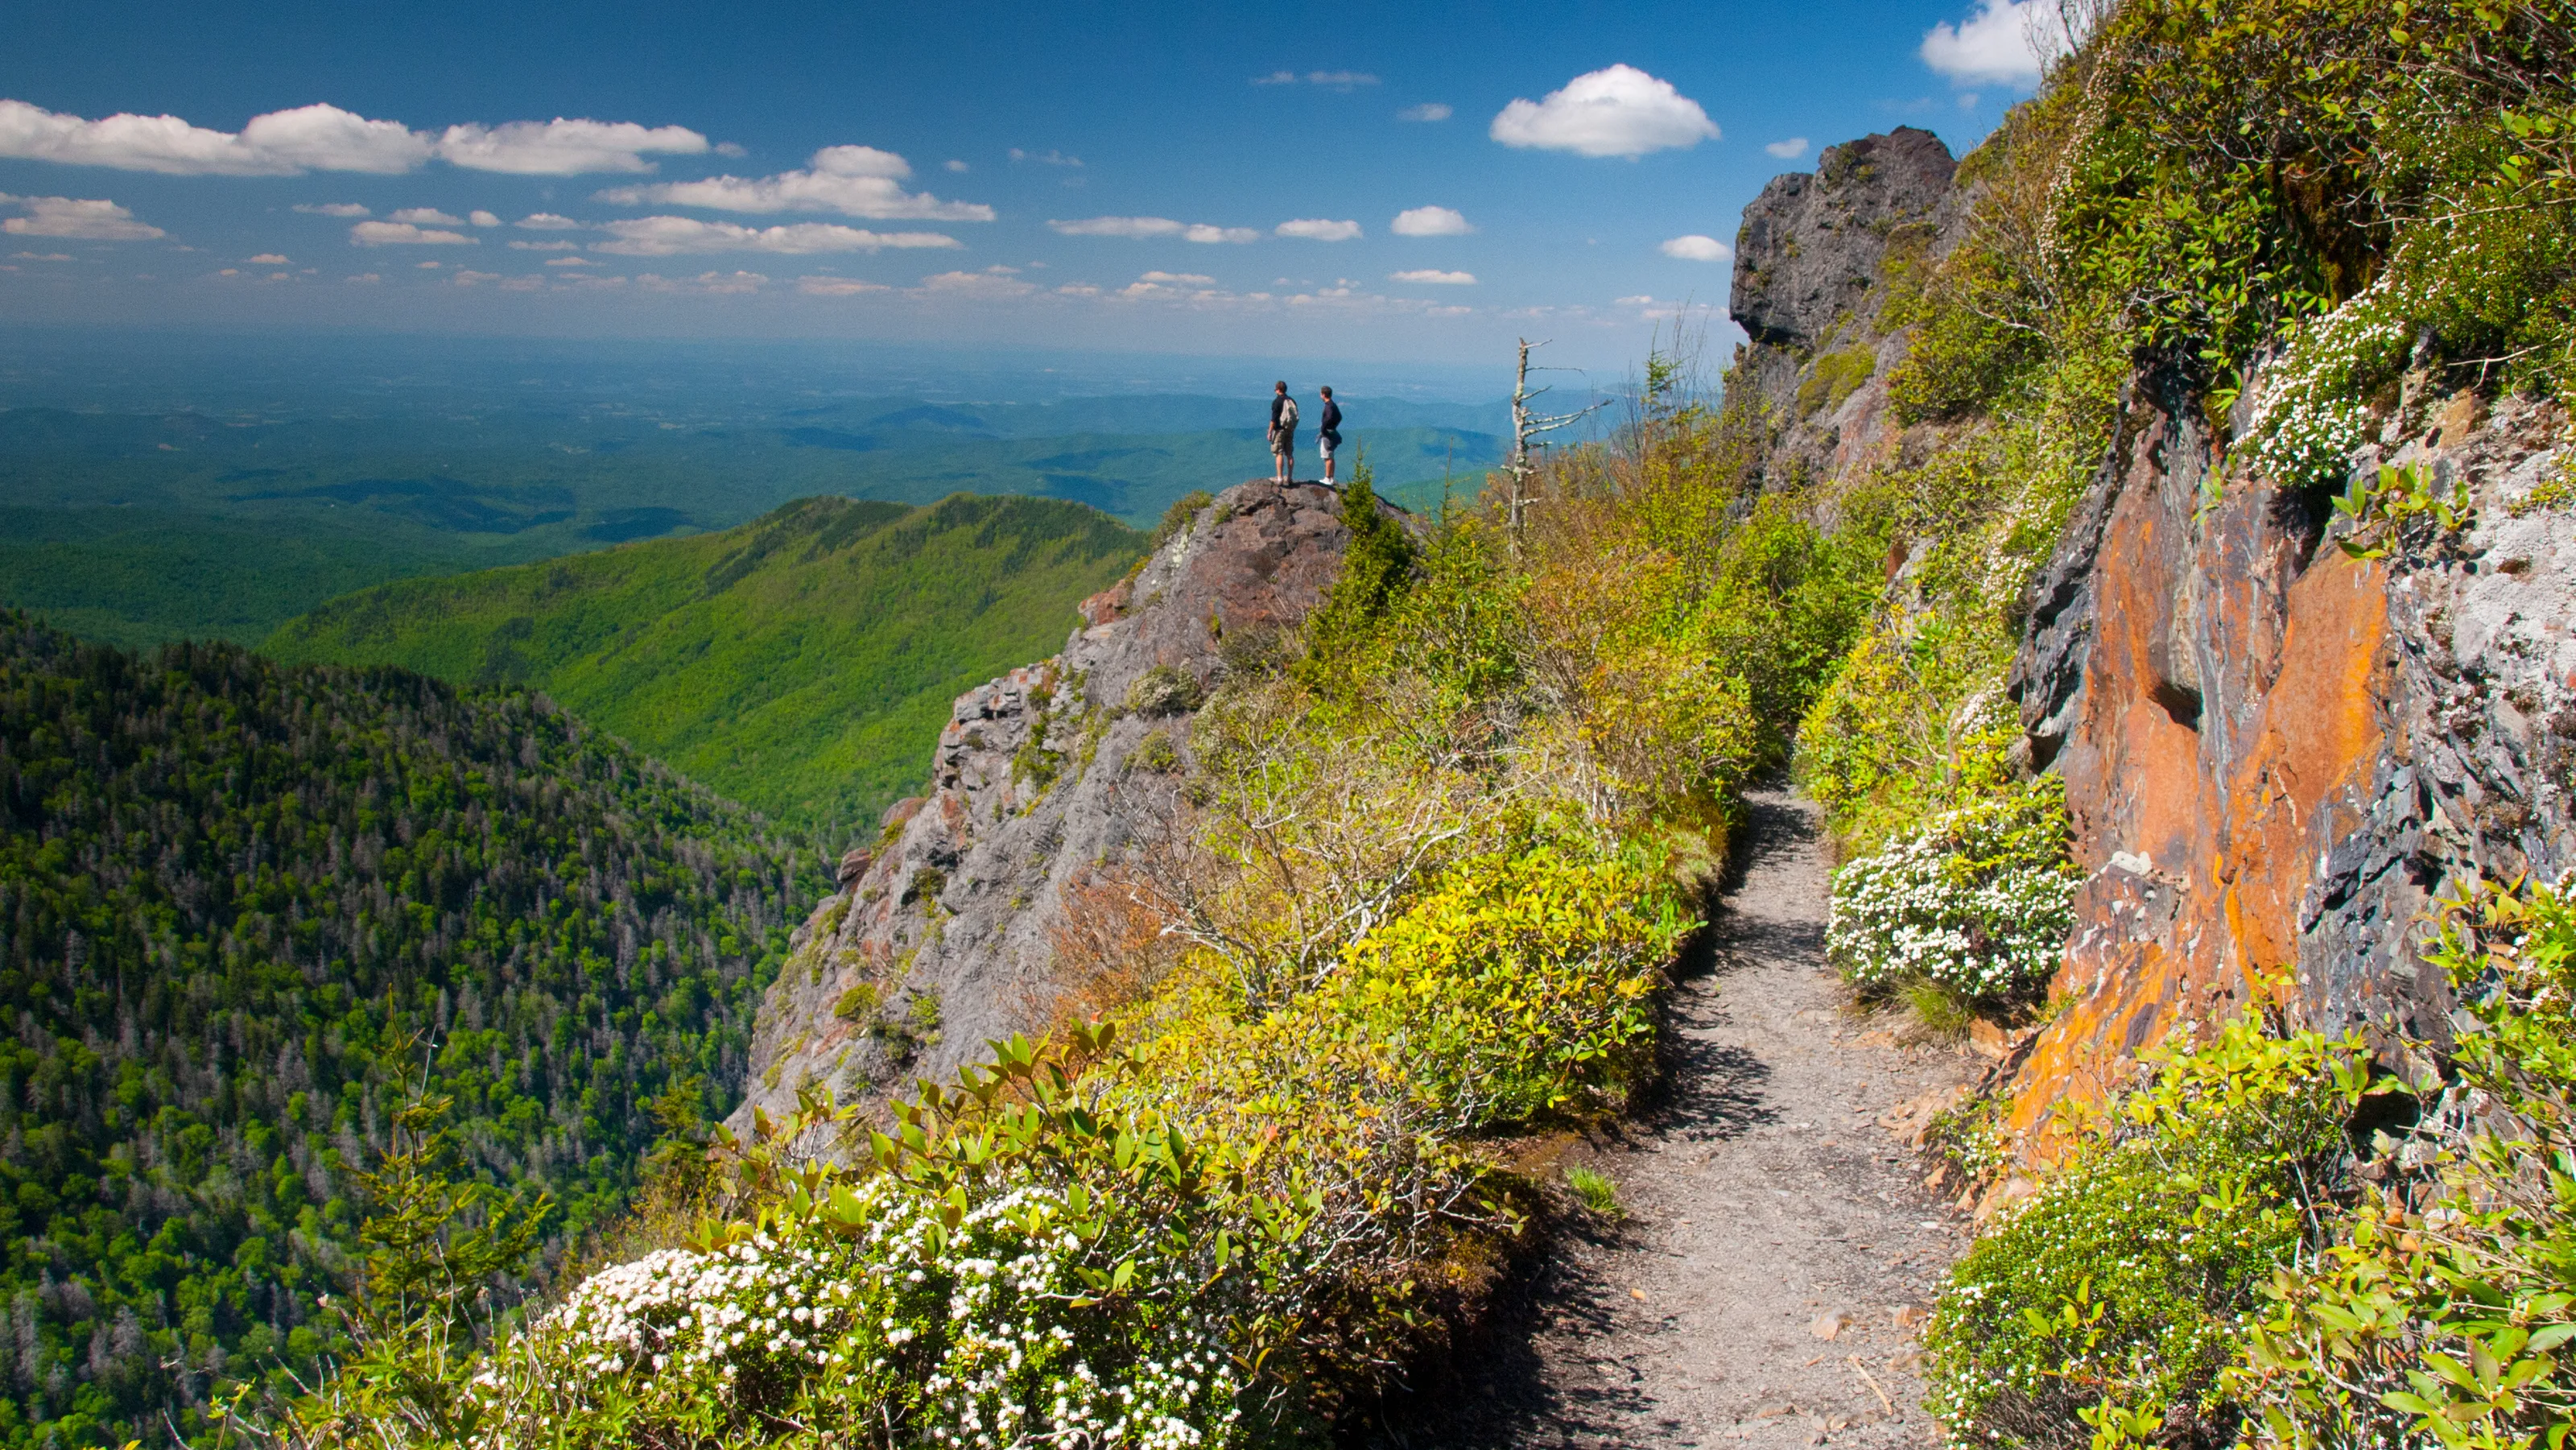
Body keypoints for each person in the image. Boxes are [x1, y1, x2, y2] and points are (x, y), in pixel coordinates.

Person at [1268, 379, 1298, 484]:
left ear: (1277, 389)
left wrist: (1270, 432)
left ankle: (1280, 478)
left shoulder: (1277, 402)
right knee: (1289, 453)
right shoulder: (1291, 401)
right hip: (1290, 429)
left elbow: (1274, 419)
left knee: (1279, 453)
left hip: (1279, 430)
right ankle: (1289, 478)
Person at [1315, 385, 1343, 485]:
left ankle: (1327, 478)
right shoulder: (1333, 405)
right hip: (1331, 432)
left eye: (1321, 394)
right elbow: (1339, 417)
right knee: (1331, 455)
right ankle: (1331, 478)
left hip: (1327, 434)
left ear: (1323, 394)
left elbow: (1329, 418)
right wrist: (1334, 426)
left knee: (1327, 456)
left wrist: (1324, 428)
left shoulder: (1328, 406)